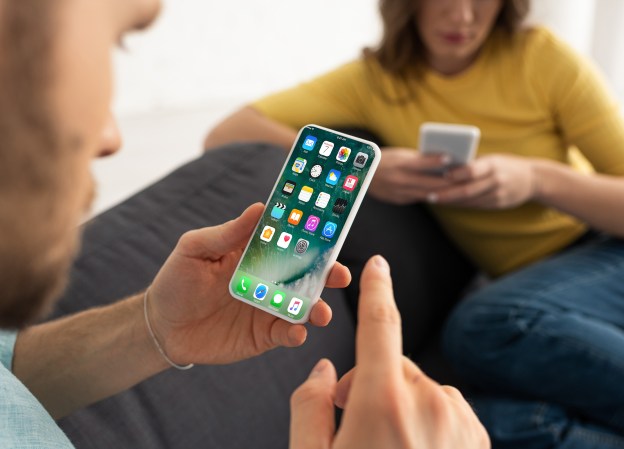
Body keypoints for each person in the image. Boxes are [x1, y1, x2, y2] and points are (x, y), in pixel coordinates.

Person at [204, 0, 624, 447]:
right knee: (468, 417)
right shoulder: (374, 82)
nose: (462, 15)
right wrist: (368, 172)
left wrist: (536, 179)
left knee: (480, 327)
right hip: (545, 308)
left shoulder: (542, 57)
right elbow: (227, 133)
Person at [0, 0, 489, 448]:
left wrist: (155, 326)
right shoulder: (372, 77)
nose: (111, 137)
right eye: (118, 37)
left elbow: (11, 379)